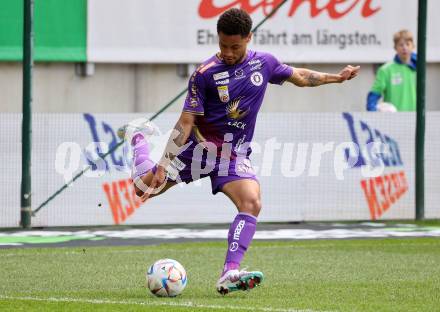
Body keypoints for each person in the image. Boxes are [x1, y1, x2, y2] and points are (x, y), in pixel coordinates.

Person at [122, 8, 359, 295]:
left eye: (235, 46)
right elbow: (186, 121)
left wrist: (336, 78)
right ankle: (138, 137)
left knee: (251, 202)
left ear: (249, 37)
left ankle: (229, 272)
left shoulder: (265, 63)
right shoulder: (204, 75)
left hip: (232, 156)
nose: (228, 52)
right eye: (223, 45)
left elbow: (299, 75)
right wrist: (163, 163)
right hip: (195, 150)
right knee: (143, 189)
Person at [367, 30, 417, 112]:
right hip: (394, 119)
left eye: (407, 44)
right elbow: (374, 94)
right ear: (395, 47)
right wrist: (372, 111)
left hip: (415, 118)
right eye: (401, 45)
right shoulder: (385, 70)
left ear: (413, 46)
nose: (404, 48)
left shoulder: (419, 69)